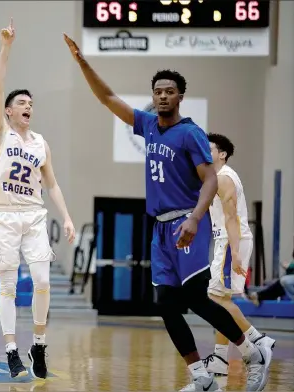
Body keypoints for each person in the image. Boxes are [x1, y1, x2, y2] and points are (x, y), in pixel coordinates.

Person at [64, 34, 272, 391]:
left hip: (187, 221)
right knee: (165, 303)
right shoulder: (147, 125)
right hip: (160, 229)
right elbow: (108, 98)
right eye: (157, 90)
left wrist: (194, 218)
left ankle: (254, 351)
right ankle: (200, 376)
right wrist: (84, 62)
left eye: (169, 91)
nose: (162, 95)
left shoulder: (190, 133)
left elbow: (209, 181)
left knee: (194, 295)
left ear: (179, 96)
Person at [0, 19, 75, 379]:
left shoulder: (41, 143)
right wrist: (6, 47)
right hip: (5, 215)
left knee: (42, 280)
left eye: (31, 103)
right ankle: (11, 349)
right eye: (21, 102)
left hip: (34, 215)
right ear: (8, 111)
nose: (28, 106)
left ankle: (38, 342)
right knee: (8, 286)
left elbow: (51, 184)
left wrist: (67, 216)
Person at [202, 134, 275, 376]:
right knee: (223, 301)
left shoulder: (224, 178)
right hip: (229, 240)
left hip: (230, 241)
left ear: (222, 153)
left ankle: (259, 340)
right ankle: (220, 359)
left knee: (216, 300)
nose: (204, 151)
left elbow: (232, 218)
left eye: (209, 148)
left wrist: (235, 253)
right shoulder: (217, 176)